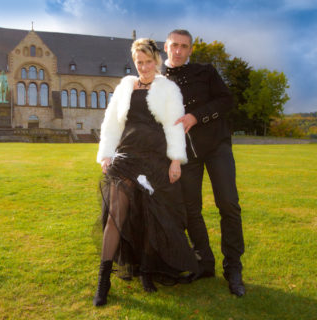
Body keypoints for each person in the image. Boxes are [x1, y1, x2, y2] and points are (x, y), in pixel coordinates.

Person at [93, 38, 199, 307]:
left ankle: (147, 272)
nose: (143, 67)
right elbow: (111, 121)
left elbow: (175, 126)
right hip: (127, 155)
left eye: (148, 62)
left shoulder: (168, 89)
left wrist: (176, 159)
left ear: (157, 61)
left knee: (152, 215)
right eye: (139, 62)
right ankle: (103, 280)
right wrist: (106, 153)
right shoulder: (125, 87)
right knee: (116, 214)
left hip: (155, 158)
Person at [163, 29, 245, 297]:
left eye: (184, 46)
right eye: (174, 45)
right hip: (186, 153)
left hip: (216, 146)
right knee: (190, 210)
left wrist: (196, 116)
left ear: (190, 50)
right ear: (166, 46)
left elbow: (226, 100)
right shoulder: (158, 80)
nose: (178, 51)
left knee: (228, 204)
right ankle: (204, 263)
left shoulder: (206, 72)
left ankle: (233, 268)